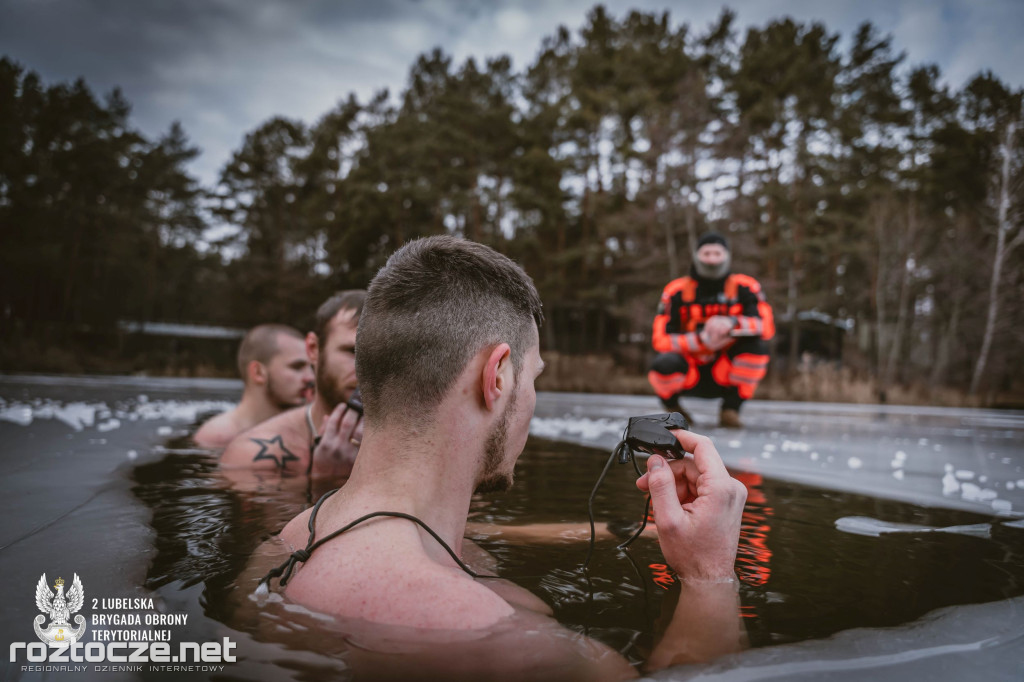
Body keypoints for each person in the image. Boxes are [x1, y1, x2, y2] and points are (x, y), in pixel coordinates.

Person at [255, 236, 748, 679]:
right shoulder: (502, 643)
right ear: (497, 377)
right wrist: (709, 575)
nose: (532, 398)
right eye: (532, 378)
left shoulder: (290, 540)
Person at [219, 291, 365, 479]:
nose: (368, 368)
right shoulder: (254, 456)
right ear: (313, 349)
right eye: (353, 351)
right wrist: (327, 481)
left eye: (382, 355)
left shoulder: (411, 445)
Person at [648, 232, 774, 429]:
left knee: (757, 347)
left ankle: (731, 410)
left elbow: (766, 327)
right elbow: (659, 340)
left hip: (724, 371)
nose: (712, 259)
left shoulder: (746, 287)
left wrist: (732, 323)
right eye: (707, 253)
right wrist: (701, 341)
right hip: (690, 372)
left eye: (717, 253)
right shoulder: (676, 291)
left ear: (727, 256)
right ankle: (674, 411)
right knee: (663, 363)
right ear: (697, 256)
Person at [194, 324, 314, 449]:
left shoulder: (311, 431)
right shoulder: (220, 436)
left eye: (311, 368)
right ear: (258, 372)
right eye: (297, 367)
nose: (311, 378)